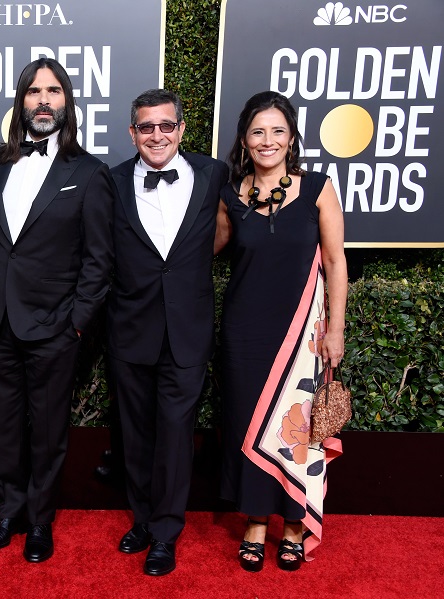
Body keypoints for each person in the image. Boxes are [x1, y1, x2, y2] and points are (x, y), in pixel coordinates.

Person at [0, 58, 114, 563]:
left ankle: (40, 521)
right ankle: (9, 513)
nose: (43, 100)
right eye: (34, 91)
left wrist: (76, 324)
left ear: (67, 102)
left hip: (55, 327)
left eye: (53, 91)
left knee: (48, 432)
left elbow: (99, 260)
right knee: (4, 426)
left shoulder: (89, 172)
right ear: (21, 101)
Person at [215, 90, 347, 572]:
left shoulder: (317, 188)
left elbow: (335, 261)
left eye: (277, 131)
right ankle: (255, 521)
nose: (267, 140)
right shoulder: (231, 195)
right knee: (247, 426)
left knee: (298, 430)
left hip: (304, 332)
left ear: (291, 138)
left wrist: (336, 329)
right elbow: (203, 250)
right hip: (244, 332)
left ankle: (294, 523)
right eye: (257, 131)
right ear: (244, 140)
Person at [108, 89, 228, 576]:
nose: (156, 135)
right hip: (130, 327)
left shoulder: (214, 174)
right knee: (135, 434)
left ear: (181, 128)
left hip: (187, 329)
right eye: (146, 127)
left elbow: (227, 231)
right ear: (132, 132)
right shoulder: (112, 181)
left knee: (176, 434)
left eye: (166, 125)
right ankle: (141, 519)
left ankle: (165, 531)